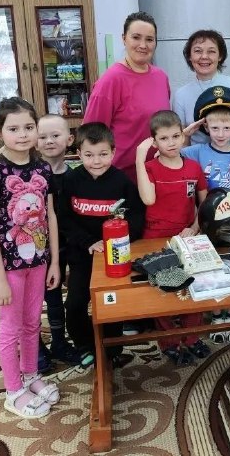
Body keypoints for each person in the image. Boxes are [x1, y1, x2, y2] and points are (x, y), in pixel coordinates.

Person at [0, 97, 61, 419]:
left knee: (32, 323)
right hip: (9, 267)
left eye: (28, 127)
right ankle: (13, 391)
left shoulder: (42, 168)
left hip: (38, 262)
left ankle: (30, 376)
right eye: (14, 129)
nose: (23, 134)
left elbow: (49, 216)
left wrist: (54, 261)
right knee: (10, 328)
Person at [57, 122, 145, 368]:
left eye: (103, 154)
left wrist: (118, 241)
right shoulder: (71, 180)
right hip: (82, 255)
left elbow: (137, 217)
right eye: (89, 155)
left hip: (113, 255)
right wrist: (88, 242)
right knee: (75, 304)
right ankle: (85, 346)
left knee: (111, 302)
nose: (96, 161)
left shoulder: (123, 182)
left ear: (113, 152)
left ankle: (112, 350)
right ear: (78, 153)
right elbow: (64, 218)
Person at [136, 110, 210, 366]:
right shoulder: (149, 168)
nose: (171, 143)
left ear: (183, 136)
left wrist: (195, 227)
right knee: (164, 291)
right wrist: (140, 156)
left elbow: (204, 204)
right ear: (154, 142)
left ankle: (192, 337)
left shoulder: (193, 167)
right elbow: (149, 199)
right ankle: (169, 341)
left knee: (193, 286)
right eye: (164, 138)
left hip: (186, 236)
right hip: (156, 237)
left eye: (176, 136)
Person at [181, 86, 230, 340]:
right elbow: (166, 151)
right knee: (209, 267)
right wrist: (186, 133)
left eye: (226, 128)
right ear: (205, 127)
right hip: (205, 221)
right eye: (214, 128)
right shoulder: (197, 151)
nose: (220, 133)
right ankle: (215, 314)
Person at [83, 12, 170, 182]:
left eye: (149, 39)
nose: (143, 45)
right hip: (122, 178)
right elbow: (91, 134)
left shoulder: (161, 77)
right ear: (124, 39)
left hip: (158, 174)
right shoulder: (111, 80)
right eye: (136, 37)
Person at [35, 114, 81, 372]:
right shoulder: (32, 175)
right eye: (43, 137)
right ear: (35, 142)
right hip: (38, 248)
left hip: (68, 245)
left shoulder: (75, 176)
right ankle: (36, 347)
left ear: (70, 139)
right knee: (41, 298)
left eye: (55, 135)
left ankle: (60, 343)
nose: (49, 141)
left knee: (63, 297)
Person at [172, 29, 230, 148]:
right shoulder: (181, 95)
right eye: (198, 51)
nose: (204, 56)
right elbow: (183, 140)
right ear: (190, 56)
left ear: (220, 56)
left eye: (211, 51)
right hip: (198, 159)